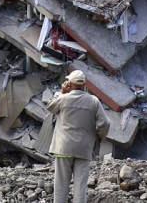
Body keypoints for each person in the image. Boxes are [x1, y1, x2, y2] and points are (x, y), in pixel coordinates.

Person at [47, 70, 109, 203]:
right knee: (80, 187)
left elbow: (51, 107)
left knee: (61, 185)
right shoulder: (94, 101)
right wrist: (99, 137)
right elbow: (105, 123)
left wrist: (62, 92)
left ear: (69, 83)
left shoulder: (63, 99)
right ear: (84, 84)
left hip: (63, 148)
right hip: (84, 149)